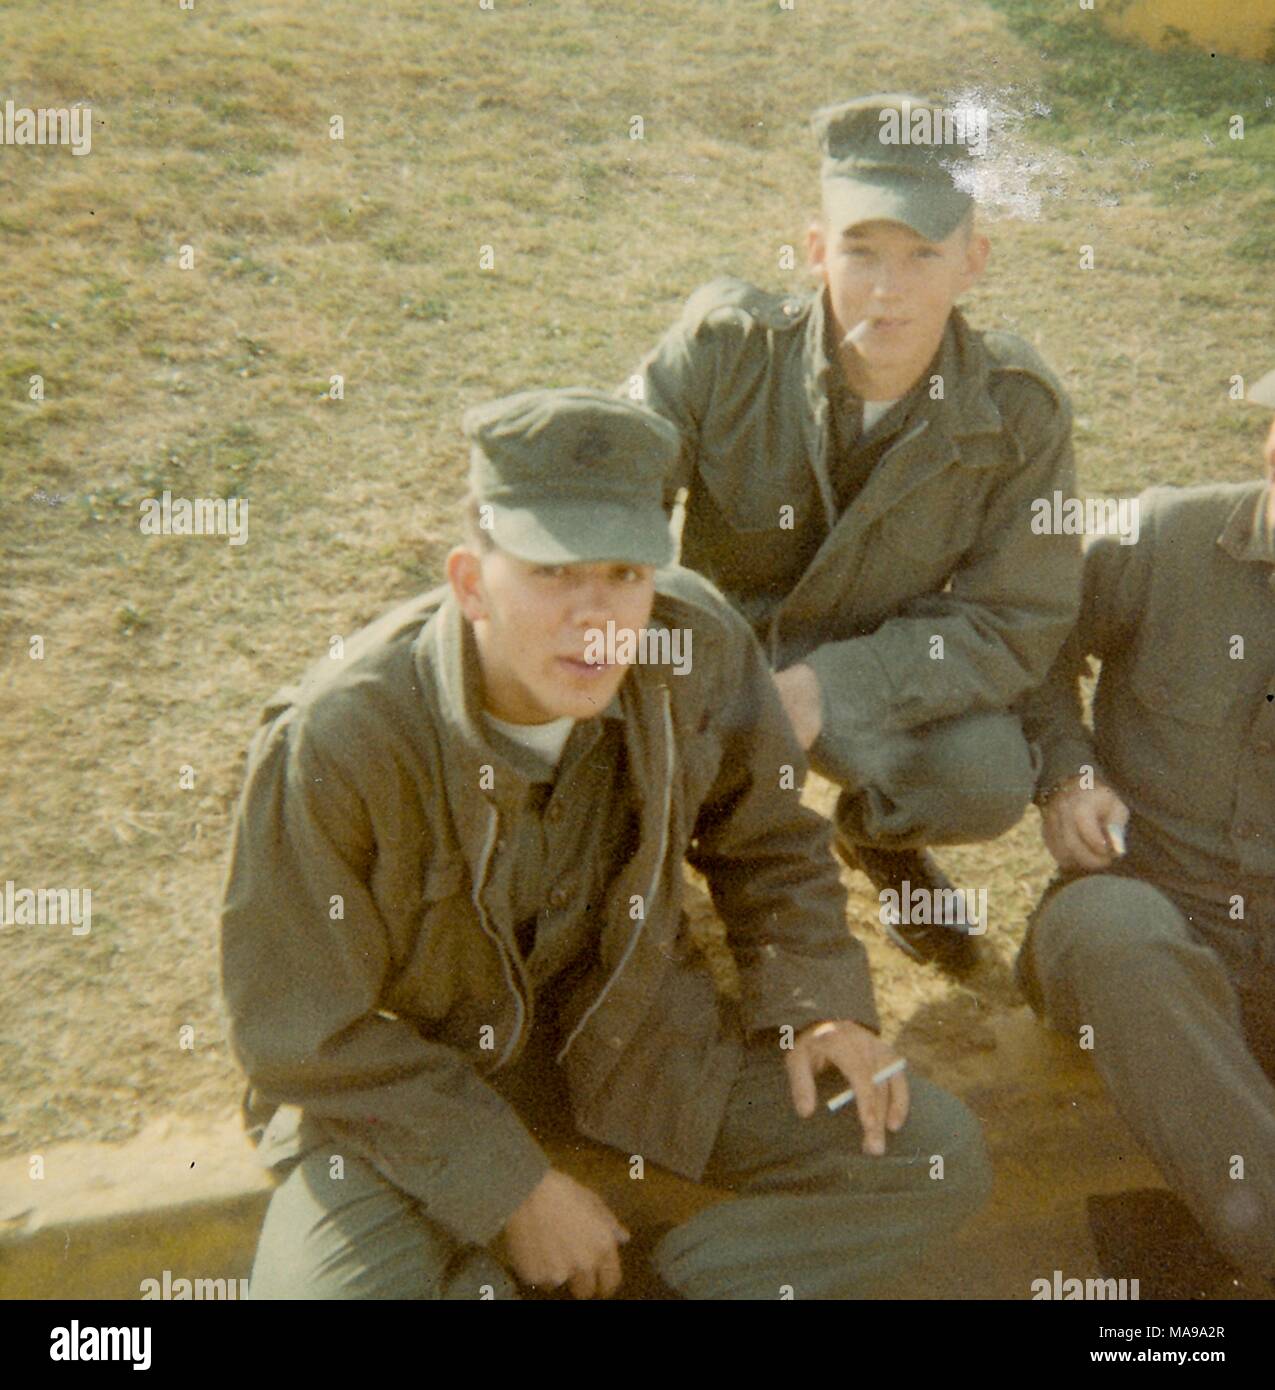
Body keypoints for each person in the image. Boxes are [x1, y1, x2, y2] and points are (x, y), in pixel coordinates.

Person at [218, 387, 990, 1300]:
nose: (598, 618)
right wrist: (509, 1188)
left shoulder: (691, 644)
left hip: (633, 1044)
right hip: (416, 1089)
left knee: (923, 1154)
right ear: (471, 582)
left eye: (625, 573)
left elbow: (770, 842)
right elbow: (299, 1032)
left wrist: (818, 1002)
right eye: (553, 573)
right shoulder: (344, 732)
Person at [626, 94, 1082, 973]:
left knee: (981, 775)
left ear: (972, 262)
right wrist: (659, 665)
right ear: (813, 250)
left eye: (921, 255)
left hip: (872, 674)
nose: (887, 287)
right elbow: (611, 490)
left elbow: (1014, 622)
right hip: (710, 657)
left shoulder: (1016, 412)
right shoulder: (725, 348)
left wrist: (826, 689)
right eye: (860, 251)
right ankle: (665, 857)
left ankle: (875, 839)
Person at [1016, 370, 1275, 1296]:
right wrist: (1068, 775)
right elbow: (1033, 647)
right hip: (1143, 912)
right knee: (1117, 942)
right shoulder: (1162, 536)